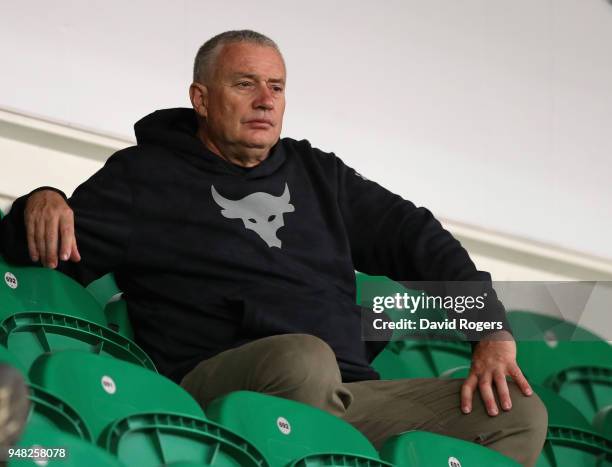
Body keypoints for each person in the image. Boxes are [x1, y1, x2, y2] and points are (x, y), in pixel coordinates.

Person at [0, 30, 547, 465]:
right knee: (302, 357)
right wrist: (42, 197)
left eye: (276, 87)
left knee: (519, 412)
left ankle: (335, 446)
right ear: (201, 99)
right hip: (219, 386)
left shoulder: (317, 173)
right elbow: (44, 247)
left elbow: (415, 235)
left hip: (346, 395)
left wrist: (488, 326)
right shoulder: (147, 177)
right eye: (244, 84)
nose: (265, 101)